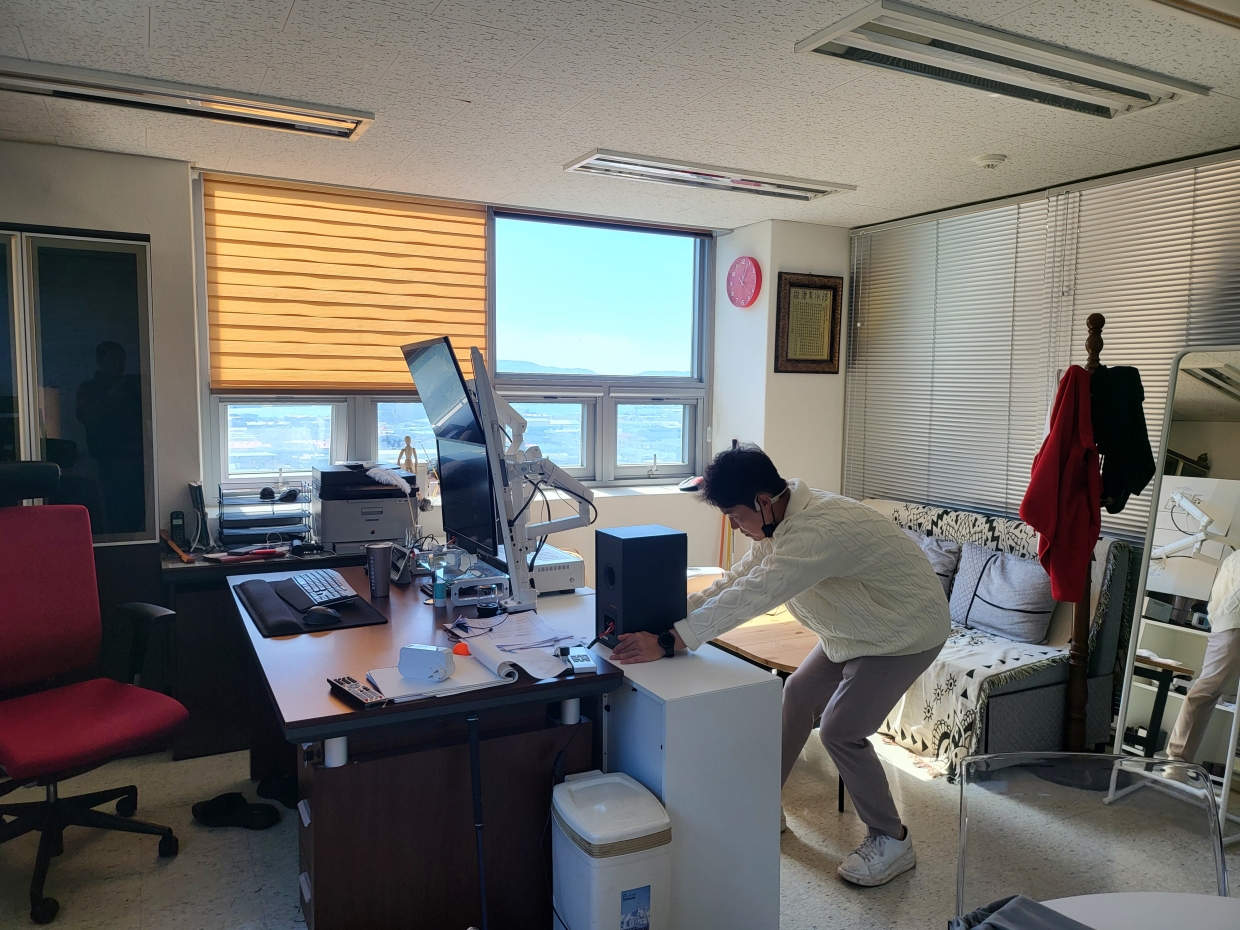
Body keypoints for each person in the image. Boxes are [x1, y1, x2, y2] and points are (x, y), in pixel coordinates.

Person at [611, 444, 950, 887]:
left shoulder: (815, 531)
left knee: (841, 730)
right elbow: (739, 580)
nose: (734, 526)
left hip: (902, 632)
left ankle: (892, 837)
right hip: (854, 629)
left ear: (761, 502)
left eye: (735, 516)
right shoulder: (783, 519)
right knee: (798, 695)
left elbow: (756, 596)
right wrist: (673, 618)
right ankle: (764, 806)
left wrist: (669, 641)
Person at [1166, 548, 1240, 764]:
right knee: (1203, 695)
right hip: (1232, 626)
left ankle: (1177, 760)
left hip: (1228, 627)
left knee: (1204, 695)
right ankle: (1177, 760)